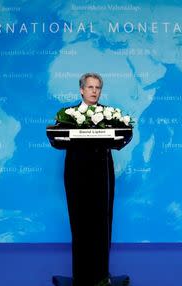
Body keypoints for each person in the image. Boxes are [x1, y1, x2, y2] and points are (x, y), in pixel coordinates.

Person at [61, 72, 115, 286]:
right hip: (76, 174)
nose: (94, 91)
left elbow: (121, 137)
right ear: (81, 90)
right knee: (80, 222)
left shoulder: (110, 114)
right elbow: (57, 139)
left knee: (102, 223)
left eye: (98, 87)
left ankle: (102, 276)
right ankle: (81, 277)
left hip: (102, 173)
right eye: (90, 87)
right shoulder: (68, 114)